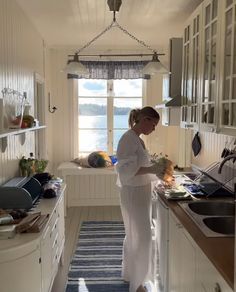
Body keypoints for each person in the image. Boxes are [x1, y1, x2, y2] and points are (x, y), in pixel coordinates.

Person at [115, 106, 173, 292]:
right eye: (154, 124)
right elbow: (125, 171)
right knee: (142, 237)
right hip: (133, 193)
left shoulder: (136, 139)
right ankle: (138, 284)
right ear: (145, 119)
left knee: (134, 235)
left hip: (140, 192)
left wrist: (157, 177)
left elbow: (141, 166)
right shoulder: (128, 139)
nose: (154, 129)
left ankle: (130, 274)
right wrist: (153, 170)